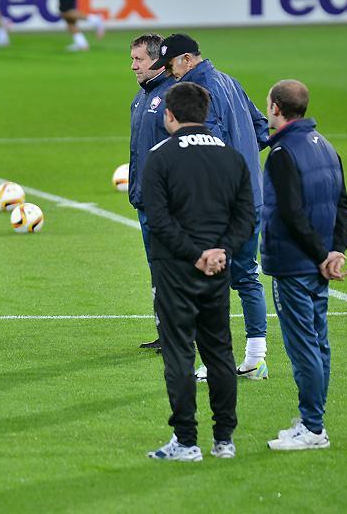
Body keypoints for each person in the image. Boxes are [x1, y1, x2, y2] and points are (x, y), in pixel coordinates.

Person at [143, 82, 255, 461]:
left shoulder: (161, 156)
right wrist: (220, 251)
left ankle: (186, 442)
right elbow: (246, 217)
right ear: (205, 114)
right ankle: (224, 440)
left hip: (176, 271)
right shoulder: (231, 157)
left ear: (169, 115)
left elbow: (158, 219)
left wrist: (194, 255)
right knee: (219, 352)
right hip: (217, 270)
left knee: (178, 354)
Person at [150, 33, 270, 381]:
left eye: (171, 65)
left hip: (219, 205)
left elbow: (207, 152)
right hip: (251, 196)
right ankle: (256, 358)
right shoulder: (231, 82)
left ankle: (217, 362)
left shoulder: (197, 93)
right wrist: (244, 160)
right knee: (247, 277)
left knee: (207, 279)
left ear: (188, 59)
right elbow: (262, 129)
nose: (170, 73)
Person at [260, 80, 347, 450]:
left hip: (294, 264)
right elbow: (342, 207)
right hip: (318, 264)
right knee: (319, 342)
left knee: (303, 348)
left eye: (268, 103)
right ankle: (314, 421)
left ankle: (312, 429)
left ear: (277, 108)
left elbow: (292, 214)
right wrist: (335, 252)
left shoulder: (283, 152)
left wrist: (321, 255)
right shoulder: (326, 146)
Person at [127, 33, 174, 352]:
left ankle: (180, 335)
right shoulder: (141, 96)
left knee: (170, 270)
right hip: (145, 199)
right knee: (158, 269)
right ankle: (166, 332)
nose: (133, 66)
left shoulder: (172, 96)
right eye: (132, 59)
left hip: (166, 204)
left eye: (139, 59)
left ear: (158, 60)